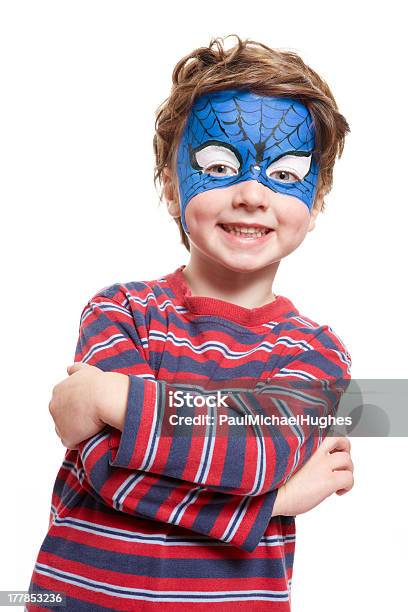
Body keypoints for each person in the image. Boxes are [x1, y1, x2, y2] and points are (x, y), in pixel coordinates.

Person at [27, 35, 354, 611]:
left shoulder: (317, 352)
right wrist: (270, 504)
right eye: (219, 166)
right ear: (172, 182)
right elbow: (108, 474)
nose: (252, 195)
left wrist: (115, 399)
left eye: (284, 173)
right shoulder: (120, 312)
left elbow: (257, 455)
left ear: (318, 198)